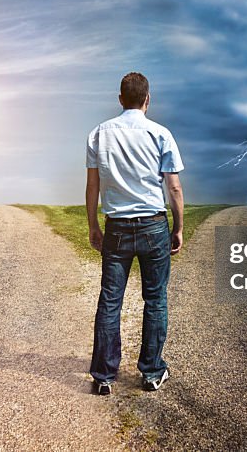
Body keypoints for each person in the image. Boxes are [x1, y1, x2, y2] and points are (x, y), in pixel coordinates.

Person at [85, 71, 185, 396]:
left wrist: (93, 225)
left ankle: (103, 376)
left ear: (119, 99)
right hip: (154, 225)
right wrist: (179, 227)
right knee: (155, 299)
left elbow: (92, 186)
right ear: (147, 99)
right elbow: (174, 186)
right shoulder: (161, 134)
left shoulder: (99, 134)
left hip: (116, 227)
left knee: (110, 300)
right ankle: (152, 372)